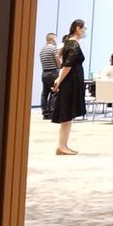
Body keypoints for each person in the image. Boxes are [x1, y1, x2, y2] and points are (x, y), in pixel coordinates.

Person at [49, 19, 88, 155]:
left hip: (70, 81)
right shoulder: (73, 44)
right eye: (84, 28)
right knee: (67, 114)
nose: (85, 31)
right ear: (78, 28)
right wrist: (59, 81)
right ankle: (61, 146)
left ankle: (63, 145)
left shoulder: (69, 43)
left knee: (68, 114)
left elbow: (62, 61)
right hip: (70, 82)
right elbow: (67, 66)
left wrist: (59, 79)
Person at [38, 32, 60, 120]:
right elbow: (58, 61)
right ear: (52, 39)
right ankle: (52, 112)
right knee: (54, 92)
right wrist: (60, 66)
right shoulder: (53, 49)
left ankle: (45, 113)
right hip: (53, 72)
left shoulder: (42, 50)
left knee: (44, 93)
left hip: (44, 73)